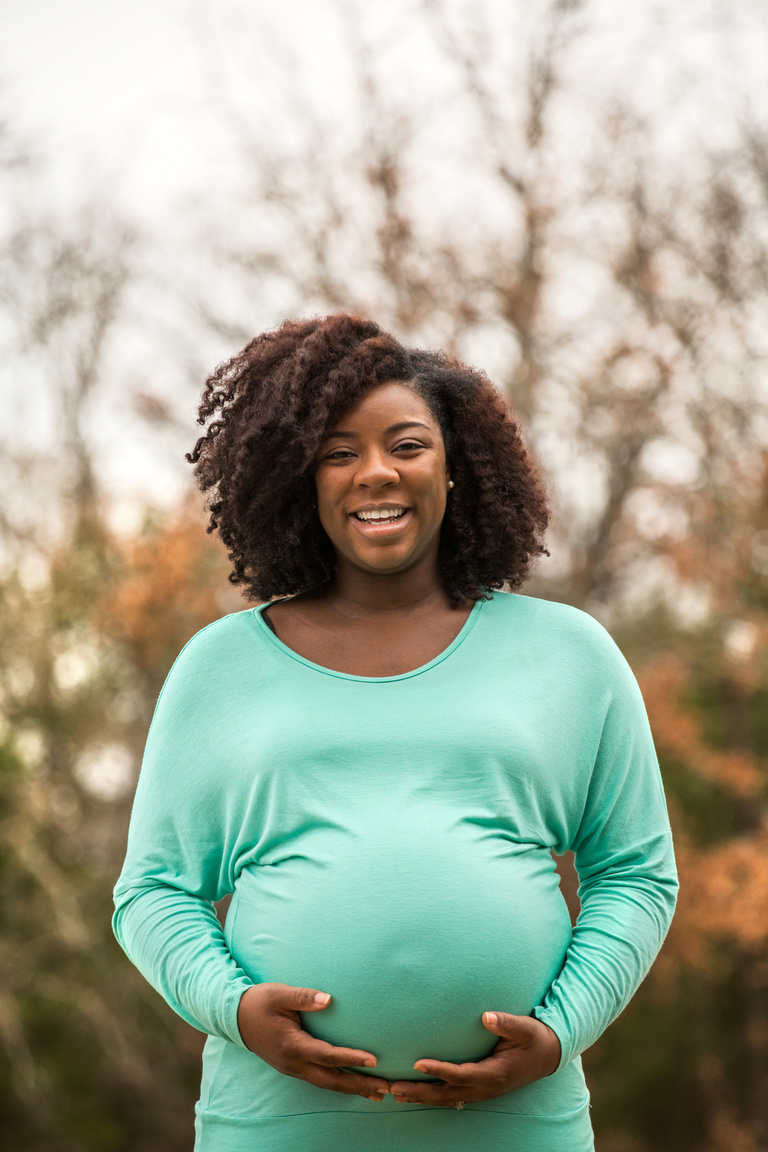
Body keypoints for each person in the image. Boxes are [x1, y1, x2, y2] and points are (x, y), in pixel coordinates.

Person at [112, 312, 678, 1152]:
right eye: (339, 453)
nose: (374, 473)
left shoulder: (571, 656)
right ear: (301, 480)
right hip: (277, 1125)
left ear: (455, 469)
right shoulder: (218, 668)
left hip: (517, 1126)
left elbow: (635, 875)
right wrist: (235, 1010)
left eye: (406, 446)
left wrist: (561, 1032)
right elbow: (152, 892)